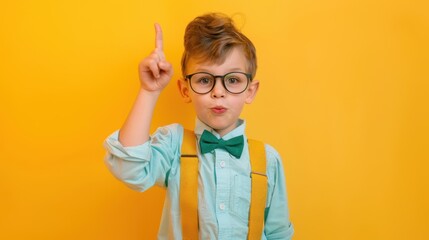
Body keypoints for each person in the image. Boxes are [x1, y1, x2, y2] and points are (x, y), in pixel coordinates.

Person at [104, 12, 294, 239]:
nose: (218, 92)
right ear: (185, 90)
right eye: (205, 80)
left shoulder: (269, 159)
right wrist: (149, 91)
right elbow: (128, 168)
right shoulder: (173, 144)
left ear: (250, 91)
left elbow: (279, 233)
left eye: (232, 80)